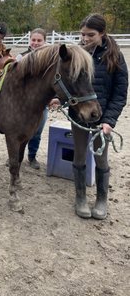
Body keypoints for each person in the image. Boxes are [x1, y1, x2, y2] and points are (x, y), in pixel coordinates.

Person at [71, 14, 128, 220]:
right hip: (79, 117)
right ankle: (80, 198)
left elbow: (120, 93)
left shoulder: (115, 57)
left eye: (90, 35)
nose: (85, 39)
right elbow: (70, 86)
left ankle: (102, 200)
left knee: (100, 158)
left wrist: (109, 120)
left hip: (101, 118)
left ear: (102, 33)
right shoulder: (76, 54)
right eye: (82, 34)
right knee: (78, 156)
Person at [16, 28, 48, 169]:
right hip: (22, 104)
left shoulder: (50, 60)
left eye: (39, 40)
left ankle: (32, 156)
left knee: (37, 131)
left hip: (41, 104)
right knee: (18, 131)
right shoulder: (21, 57)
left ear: (45, 41)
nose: (35, 43)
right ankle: (15, 156)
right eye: (33, 40)